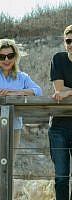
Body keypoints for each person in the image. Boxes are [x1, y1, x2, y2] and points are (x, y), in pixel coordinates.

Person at [0, 38, 42, 200]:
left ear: (15, 56)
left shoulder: (22, 77)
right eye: (2, 56)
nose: (6, 60)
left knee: (8, 169)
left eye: (10, 55)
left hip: (13, 127)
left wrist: (15, 93)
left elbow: (37, 90)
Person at [48, 24, 72, 200]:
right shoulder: (58, 59)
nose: (71, 44)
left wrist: (70, 92)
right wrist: (66, 92)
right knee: (61, 176)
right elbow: (59, 90)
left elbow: (65, 92)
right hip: (59, 126)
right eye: (68, 41)